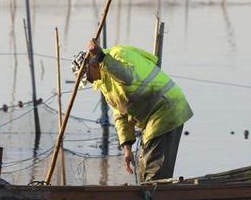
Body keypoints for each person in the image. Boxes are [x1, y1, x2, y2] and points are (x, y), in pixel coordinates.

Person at [71, 39, 193, 182]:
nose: (91, 81)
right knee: (142, 171)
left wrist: (101, 56)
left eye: (88, 77)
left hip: (166, 107)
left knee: (154, 173)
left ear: (92, 65)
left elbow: (128, 77)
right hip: (151, 118)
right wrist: (126, 146)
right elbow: (120, 113)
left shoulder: (117, 55)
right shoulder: (103, 82)